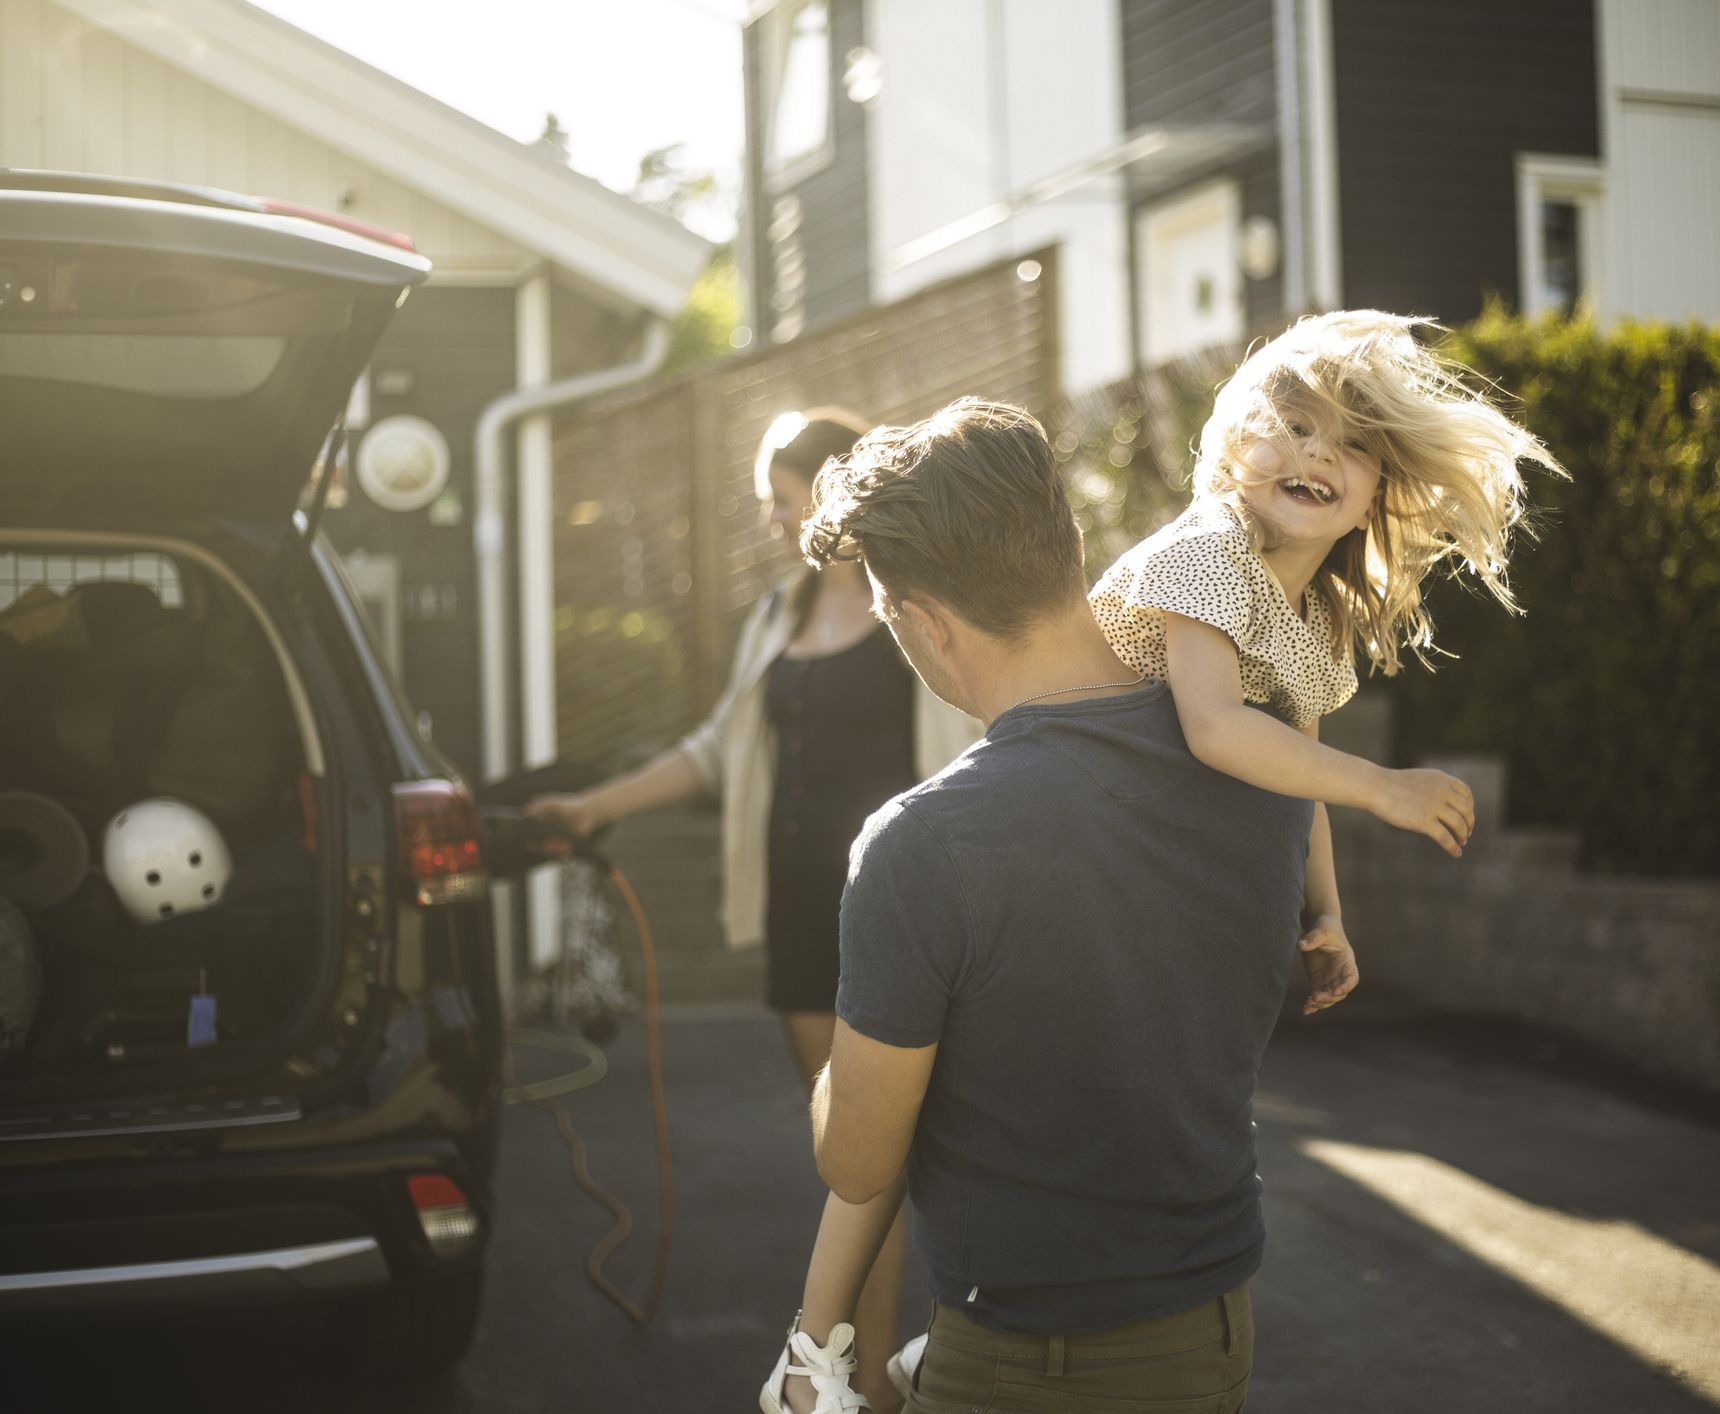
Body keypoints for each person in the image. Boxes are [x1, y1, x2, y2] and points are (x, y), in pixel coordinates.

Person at [761, 399, 1360, 1414]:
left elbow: (856, 1155)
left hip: (1032, 1363)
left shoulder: (924, 846)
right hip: (1210, 1329)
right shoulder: (1268, 767)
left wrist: (868, 1046)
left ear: (924, 625)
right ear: (1070, 544)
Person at [526, 408, 977, 1411]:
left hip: (902, 906)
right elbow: (714, 752)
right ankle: (871, 1372)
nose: (775, 523)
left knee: (901, 1153)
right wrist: (593, 806)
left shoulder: (922, 603)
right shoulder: (776, 618)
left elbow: (992, 734)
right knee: (850, 1156)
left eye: (786, 501)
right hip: (802, 912)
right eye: (769, 504)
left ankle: (868, 1380)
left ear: (841, 491)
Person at [1088, 308, 1563, 979]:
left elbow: (1298, 778)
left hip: (1157, 860)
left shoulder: (1313, 621)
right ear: (1233, 451)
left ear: (1371, 502)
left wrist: (1327, 916)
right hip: (1076, 820)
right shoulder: (1206, 550)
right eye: (1294, 426)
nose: (1315, 451)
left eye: (1351, 444)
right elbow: (1215, 728)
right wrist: (1379, 788)